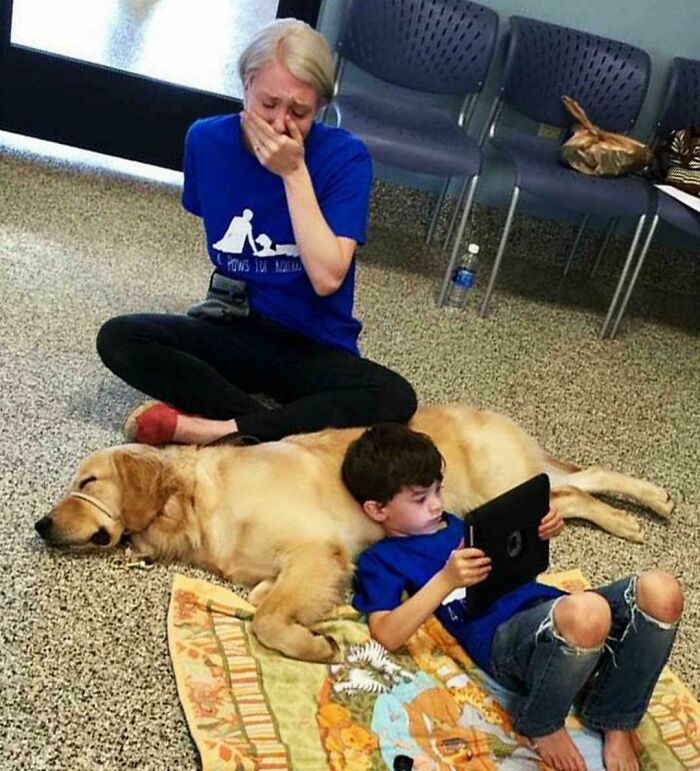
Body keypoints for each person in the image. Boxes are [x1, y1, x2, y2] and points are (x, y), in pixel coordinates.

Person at [96, 19, 417, 445]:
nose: (282, 124)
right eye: (269, 104)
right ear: (247, 85)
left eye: (300, 113)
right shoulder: (206, 141)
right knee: (120, 337)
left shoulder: (346, 157)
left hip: (313, 343)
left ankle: (219, 430)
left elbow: (326, 278)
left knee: (395, 397)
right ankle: (268, 430)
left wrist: (294, 173)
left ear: (319, 106)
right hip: (236, 326)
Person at [341, 424, 684, 771]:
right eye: (420, 499)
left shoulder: (460, 523)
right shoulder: (383, 558)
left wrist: (541, 534)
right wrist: (445, 580)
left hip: (551, 611)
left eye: (438, 490)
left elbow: (516, 569)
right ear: (377, 510)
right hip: (505, 642)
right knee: (588, 612)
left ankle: (615, 717)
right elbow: (387, 633)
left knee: (662, 590)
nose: (436, 504)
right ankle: (541, 722)